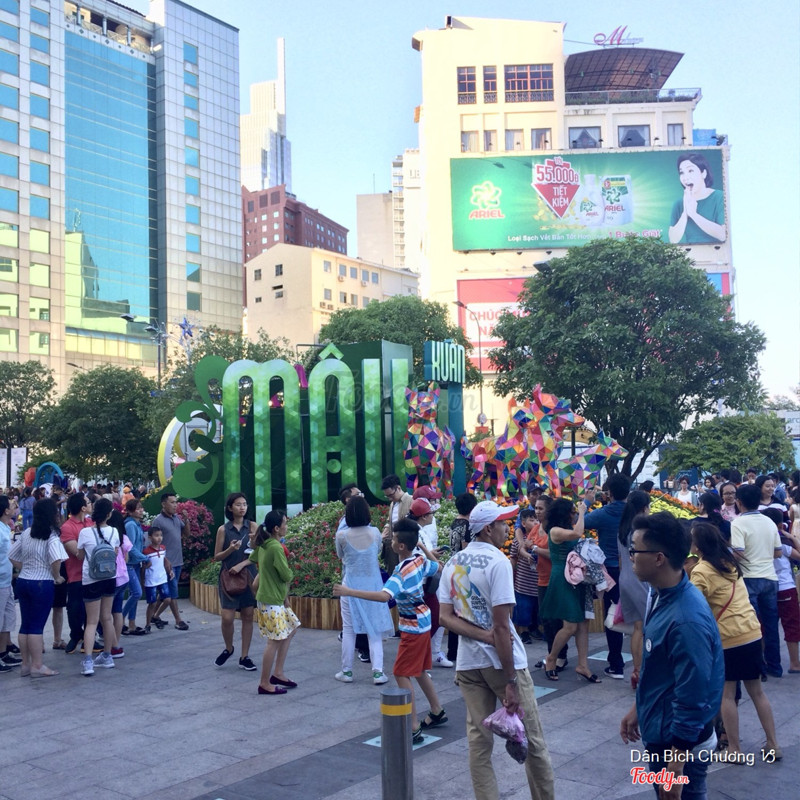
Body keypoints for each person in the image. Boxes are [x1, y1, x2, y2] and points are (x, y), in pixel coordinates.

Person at [438, 499, 555, 800]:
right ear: (488, 529)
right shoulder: (498, 563)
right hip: (503, 663)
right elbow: (502, 627)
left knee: (479, 744)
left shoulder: (453, 562)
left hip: (468, 664)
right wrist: (510, 681)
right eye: (503, 523)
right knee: (533, 742)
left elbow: (445, 618)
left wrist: (480, 636)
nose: (507, 528)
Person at [620, 512, 724, 800]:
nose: (630, 557)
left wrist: (676, 765)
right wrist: (639, 708)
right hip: (664, 730)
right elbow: (662, 670)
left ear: (658, 558)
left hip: (679, 745)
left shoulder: (685, 620)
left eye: (635, 550)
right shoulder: (663, 595)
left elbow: (693, 695)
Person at [334, 518, 446, 743]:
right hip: (424, 622)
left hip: (412, 627)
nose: (391, 542)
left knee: (401, 673)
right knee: (419, 670)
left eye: (393, 539)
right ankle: (436, 710)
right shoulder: (419, 560)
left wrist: (349, 591)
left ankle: (413, 727)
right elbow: (439, 567)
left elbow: (384, 596)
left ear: (401, 546)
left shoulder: (401, 572)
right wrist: (423, 548)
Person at [689, 522, 781, 760]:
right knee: (757, 692)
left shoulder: (701, 570)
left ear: (698, 546)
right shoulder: (730, 563)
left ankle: (734, 749)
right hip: (752, 632)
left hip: (728, 638)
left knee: (727, 695)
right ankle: (773, 744)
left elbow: (693, 605)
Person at [333, 495, 393, 684]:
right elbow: (377, 551)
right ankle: (378, 672)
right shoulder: (375, 532)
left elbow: (340, 555)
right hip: (373, 586)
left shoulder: (342, 536)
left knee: (349, 629)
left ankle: (346, 671)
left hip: (349, 586)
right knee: (374, 630)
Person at [539, 497, 599, 683]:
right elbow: (577, 533)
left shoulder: (561, 530)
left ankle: (583, 665)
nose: (574, 514)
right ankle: (551, 658)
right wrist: (582, 511)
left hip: (576, 578)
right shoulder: (555, 531)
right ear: (564, 514)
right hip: (563, 579)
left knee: (582, 624)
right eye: (572, 512)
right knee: (570, 625)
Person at [8, 498, 68, 677]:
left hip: (24, 581)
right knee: (36, 626)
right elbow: (56, 559)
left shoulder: (27, 533)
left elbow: (12, 555)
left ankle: (25, 665)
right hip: (42, 583)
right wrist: (56, 576)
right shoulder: (52, 536)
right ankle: (37, 665)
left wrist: (24, 568)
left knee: (25, 625)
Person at [731, 484, 783, 678]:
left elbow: (738, 554)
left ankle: (756, 666)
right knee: (771, 625)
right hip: (770, 578)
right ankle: (775, 666)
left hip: (749, 579)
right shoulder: (769, 522)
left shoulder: (738, 523)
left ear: (739, 502)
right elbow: (778, 552)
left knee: (751, 625)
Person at [584, 473, 631, 679]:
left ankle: (616, 663)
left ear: (609, 493)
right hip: (633, 569)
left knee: (612, 615)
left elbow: (580, 523)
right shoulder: (634, 512)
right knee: (637, 616)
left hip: (610, 572)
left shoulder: (603, 513)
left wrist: (587, 502)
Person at [250, 510, 300, 695]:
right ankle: (264, 683)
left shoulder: (265, 545)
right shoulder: (276, 547)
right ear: (277, 528)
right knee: (274, 641)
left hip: (273, 599)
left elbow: (253, 558)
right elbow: (286, 575)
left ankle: (277, 673)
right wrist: (289, 565)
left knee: (291, 628)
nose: (287, 526)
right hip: (272, 600)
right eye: (285, 523)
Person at [212, 492, 258, 671]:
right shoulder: (223, 530)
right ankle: (229, 648)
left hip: (248, 575)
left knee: (248, 615)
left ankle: (244, 656)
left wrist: (253, 544)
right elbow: (217, 556)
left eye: (244, 504)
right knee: (227, 617)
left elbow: (258, 553)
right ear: (230, 508)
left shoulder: (252, 526)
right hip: (228, 576)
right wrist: (230, 550)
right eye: (238, 504)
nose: (242, 508)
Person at [408, 496, 453, 667]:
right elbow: (418, 558)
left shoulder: (420, 530)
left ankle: (428, 653)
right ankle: (420, 655)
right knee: (434, 618)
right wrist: (435, 563)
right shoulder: (417, 532)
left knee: (435, 618)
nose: (433, 516)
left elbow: (421, 554)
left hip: (426, 582)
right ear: (424, 516)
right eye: (431, 513)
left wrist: (432, 555)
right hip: (422, 584)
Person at [77, 497, 120, 676]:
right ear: (109, 514)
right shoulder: (114, 531)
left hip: (91, 578)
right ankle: (107, 656)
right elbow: (115, 553)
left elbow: (80, 555)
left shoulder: (85, 532)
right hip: (109, 577)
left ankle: (88, 662)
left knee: (91, 621)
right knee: (107, 618)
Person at [617, 490, 651, 688]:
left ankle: (637, 671)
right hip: (640, 579)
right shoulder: (641, 530)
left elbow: (621, 559)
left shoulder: (623, 528)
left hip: (625, 578)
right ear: (644, 508)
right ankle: (644, 671)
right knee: (648, 626)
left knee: (638, 628)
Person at [149, 491, 189, 630]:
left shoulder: (176, 518)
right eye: (172, 502)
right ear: (163, 504)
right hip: (166, 563)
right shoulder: (158, 521)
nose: (175, 505)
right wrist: (164, 559)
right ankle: (178, 620)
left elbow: (186, 534)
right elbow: (154, 543)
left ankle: (153, 616)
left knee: (166, 592)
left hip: (178, 561)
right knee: (172, 592)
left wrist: (186, 519)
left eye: (175, 502)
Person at [667, 152, 726, 244]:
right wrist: (685, 213)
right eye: (682, 172)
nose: (685, 177)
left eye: (690, 171)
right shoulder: (678, 204)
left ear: (703, 173)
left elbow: (723, 235)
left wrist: (693, 214)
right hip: (689, 252)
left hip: (717, 252)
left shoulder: (719, 197)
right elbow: (673, 240)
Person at [509, 508, 540, 645]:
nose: (535, 522)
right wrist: (511, 577)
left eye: (537, 520)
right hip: (523, 584)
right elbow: (513, 559)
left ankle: (534, 629)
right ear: (523, 523)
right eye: (531, 520)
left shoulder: (541, 539)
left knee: (536, 609)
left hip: (538, 582)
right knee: (523, 609)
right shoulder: (519, 541)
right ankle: (523, 632)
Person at [0, 495, 21, 671]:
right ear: (5, 510)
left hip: (6, 580)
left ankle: (3, 652)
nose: (14, 506)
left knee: (7, 618)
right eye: (11, 505)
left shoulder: (6, 527)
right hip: (0, 581)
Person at [121, 498, 148, 636]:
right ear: (130, 512)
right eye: (138, 508)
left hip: (136, 563)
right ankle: (120, 620)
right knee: (137, 593)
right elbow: (130, 548)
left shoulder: (137, 524)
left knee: (135, 594)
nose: (141, 510)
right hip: (129, 564)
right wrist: (145, 558)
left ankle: (132, 624)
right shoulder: (130, 525)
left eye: (141, 507)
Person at [380, 474, 413, 575]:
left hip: (405, 546)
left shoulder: (411, 500)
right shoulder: (393, 503)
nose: (390, 498)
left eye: (391, 495)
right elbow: (390, 521)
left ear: (398, 488)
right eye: (387, 496)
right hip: (393, 545)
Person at [143, 528, 172, 632]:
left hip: (162, 578)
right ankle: (147, 624)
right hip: (151, 580)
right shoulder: (146, 552)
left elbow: (164, 560)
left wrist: (169, 571)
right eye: (156, 535)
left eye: (160, 535)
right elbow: (143, 567)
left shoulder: (163, 548)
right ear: (150, 538)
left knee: (167, 599)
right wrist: (143, 580)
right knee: (152, 603)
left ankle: (155, 616)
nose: (159, 538)